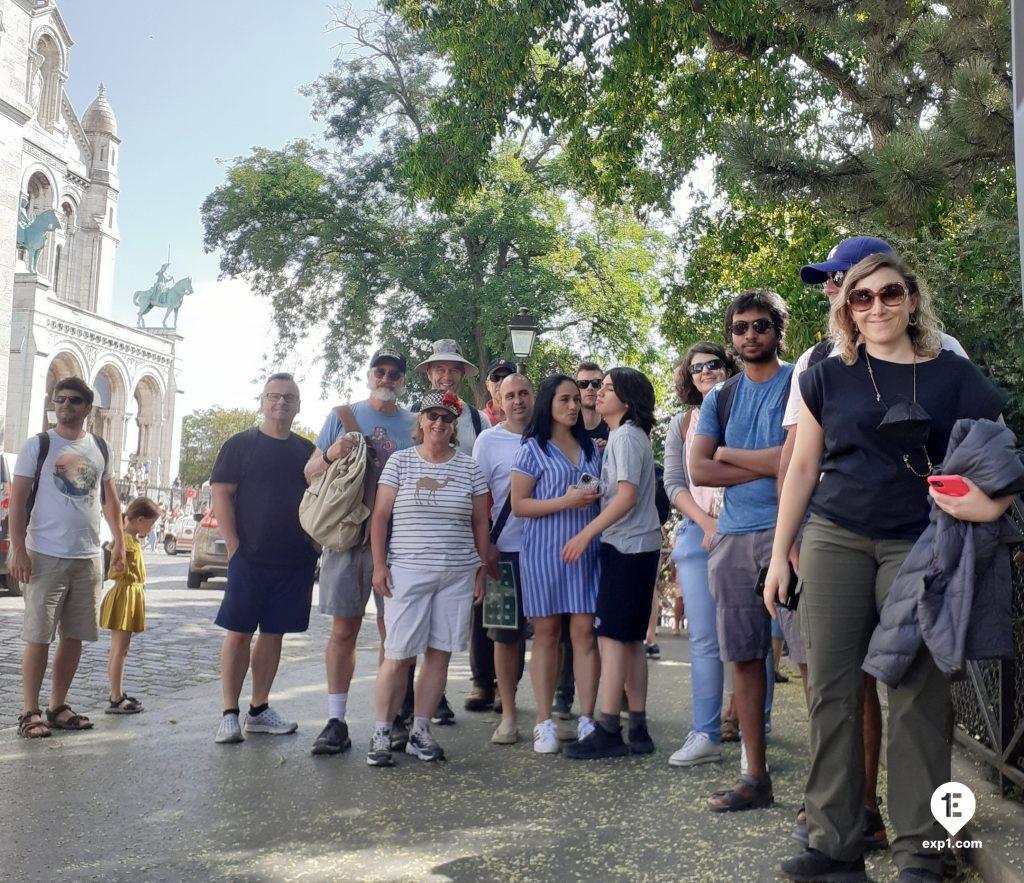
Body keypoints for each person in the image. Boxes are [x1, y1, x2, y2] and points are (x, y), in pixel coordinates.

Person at [766, 253, 1010, 882]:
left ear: (911, 296)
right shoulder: (828, 374)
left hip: (921, 545)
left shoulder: (952, 375)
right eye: (861, 297)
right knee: (832, 693)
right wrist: (778, 555)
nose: (876, 307)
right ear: (845, 308)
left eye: (889, 293)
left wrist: (990, 503)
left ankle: (925, 855)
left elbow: (1001, 453)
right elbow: (801, 469)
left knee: (918, 700)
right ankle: (834, 844)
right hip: (835, 539)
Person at [690, 289, 794, 811]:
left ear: (778, 329)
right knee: (745, 660)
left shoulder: (801, 382)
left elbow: (800, 462)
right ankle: (755, 776)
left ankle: (830, 794)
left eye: (760, 325)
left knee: (819, 665)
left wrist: (730, 452)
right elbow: (699, 469)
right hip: (732, 539)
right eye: (740, 327)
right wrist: (769, 460)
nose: (750, 334)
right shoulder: (720, 397)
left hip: (793, 533)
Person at [366, 389, 490, 766]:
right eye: (432, 416)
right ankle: (382, 733)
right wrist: (379, 565)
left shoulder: (469, 467)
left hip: (456, 572)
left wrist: (481, 568)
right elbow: (380, 516)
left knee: (440, 654)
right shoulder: (401, 463)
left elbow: (480, 521)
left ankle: (421, 731)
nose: (439, 423)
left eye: (447, 418)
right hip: (408, 570)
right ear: (420, 420)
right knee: (398, 654)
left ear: (455, 426)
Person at [304, 350, 415, 756]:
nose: (386, 377)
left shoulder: (415, 424)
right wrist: (333, 452)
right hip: (349, 536)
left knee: (395, 636)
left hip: (400, 541)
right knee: (344, 631)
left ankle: (389, 721)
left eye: (393, 373)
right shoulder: (342, 415)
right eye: (380, 371)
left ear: (402, 381)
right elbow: (310, 470)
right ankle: (336, 720)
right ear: (369, 375)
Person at [10, 376, 124, 738]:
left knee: (74, 636)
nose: (65, 405)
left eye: (74, 400)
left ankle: (57, 706)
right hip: (44, 553)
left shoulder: (100, 447)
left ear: (87, 408)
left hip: (88, 556)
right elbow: (16, 501)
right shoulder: (39, 445)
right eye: (60, 399)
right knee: (38, 636)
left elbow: (109, 499)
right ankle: (29, 712)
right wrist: (17, 548)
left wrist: (119, 541)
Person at [211, 373, 319, 744]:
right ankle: (229, 713)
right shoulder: (240, 445)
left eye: (289, 398)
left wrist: (315, 543)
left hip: (294, 559)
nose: (281, 403)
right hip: (250, 557)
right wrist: (233, 544)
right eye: (274, 396)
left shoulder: (307, 450)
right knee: (238, 633)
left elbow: (322, 497)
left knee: (274, 635)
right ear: (262, 401)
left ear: (298, 405)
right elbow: (221, 493)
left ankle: (259, 708)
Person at [562, 367, 662, 759]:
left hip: (623, 547)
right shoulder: (632, 437)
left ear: (627, 398)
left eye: (606, 388)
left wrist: (586, 534)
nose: (598, 394)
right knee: (633, 640)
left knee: (611, 639)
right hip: (643, 546)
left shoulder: (623, 437)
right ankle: (637, 727)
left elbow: (626, 498)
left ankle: (607, 727)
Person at [510, 374, 602, 755]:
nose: (572, 406)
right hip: (545, 553)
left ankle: (588, 717)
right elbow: (519, 504)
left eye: (575, 400)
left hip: (585, 552)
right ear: (548, 403)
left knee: (584, 635)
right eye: (564, 399)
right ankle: (543, 721)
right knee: (546, 635)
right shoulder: (532, 449)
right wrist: (564, 501)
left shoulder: (591, 449)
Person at [664, 343, 737, 767]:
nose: (706, 372)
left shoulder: (748, 407)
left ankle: (753, 732)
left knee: (751, 640)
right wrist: (708, 525)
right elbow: (675, 483)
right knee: (705, 640)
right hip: (697, 532)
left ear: (728, 368)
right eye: (697, 369)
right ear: (688, 378)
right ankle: (705, 732)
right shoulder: (682, 423)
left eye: (713, 365)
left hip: (748, 529)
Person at [414, 339, 493, 720]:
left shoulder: (479, 420)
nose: (446, 375)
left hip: (462, 528)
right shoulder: (412, 416)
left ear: (462, 375)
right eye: (439, 369)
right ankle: (410, 701)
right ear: (429, 373)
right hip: (418, 532)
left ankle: (445, 693)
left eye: (453, 369)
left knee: (455, 615)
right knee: (413, 618)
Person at [472, 373, 535, 744]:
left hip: (545, 552)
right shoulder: (488, 441)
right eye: (509, 395)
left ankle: (543, 713)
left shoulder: (551, 435)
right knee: (505, 638)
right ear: (498, 401)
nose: (517, 400)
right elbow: (479, 502)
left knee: (547, 634)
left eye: (524, 393)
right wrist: (484, 550)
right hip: (503, 551)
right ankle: (508, 714)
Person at [552, 361, 609, 717]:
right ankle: (563, 691)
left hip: (602, 536)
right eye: (582, 385)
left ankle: (606, 698)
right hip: (560, 537)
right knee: (560, 627)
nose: (588, 391)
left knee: (592, 626)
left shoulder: (616, 425)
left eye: (595, 384)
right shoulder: (560, 432)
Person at [100, 496, 162, 714]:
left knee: (120, 648)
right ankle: (116, 696)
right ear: (140, 520)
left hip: (129, 594)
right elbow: (115, 568)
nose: (152, 528)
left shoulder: (131, 539)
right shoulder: (126, 540)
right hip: (125, 595)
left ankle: (117, 692)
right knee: (120, 649)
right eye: (151, 523)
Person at [481, 358, 516, 426]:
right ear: (487, 385)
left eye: (507, 378)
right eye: (495, 378)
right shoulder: (479, 419)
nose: (501, 382)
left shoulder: (524, 417)